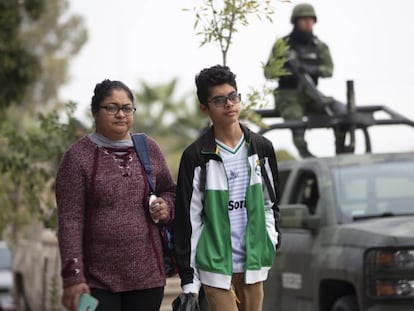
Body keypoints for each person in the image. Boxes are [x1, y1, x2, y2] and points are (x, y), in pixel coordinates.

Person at [55, 79, 176, 311]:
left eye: (127, 108)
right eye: (112, 107)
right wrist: (73, 277)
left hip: (148, 278)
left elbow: (170, 191)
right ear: (94, 112)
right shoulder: (77, 157)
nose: (121, 114)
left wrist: (166, 206)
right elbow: (70, 223)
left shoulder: (149, 148)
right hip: (95, 282)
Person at [173, 65, 281, 311]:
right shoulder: (196, 156)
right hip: (214, 263)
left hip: (254, 261)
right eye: (219, 100)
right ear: (205, 108)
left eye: (233, 96)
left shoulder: (261, 148)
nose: (229, 104)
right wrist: (189, 281)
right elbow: (189, 220)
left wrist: (270, 240)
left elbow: (271, 203)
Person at [264, 3, 345, 157]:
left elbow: (329, 70)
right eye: (304, 19)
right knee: (295, 119)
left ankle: (341, 148)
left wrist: (312, 70)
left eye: (311, 19)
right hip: (288, 94)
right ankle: (304, 152)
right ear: (296, 21)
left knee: (338, 111)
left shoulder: (319, 46)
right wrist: (286, 70)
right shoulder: (282, 45)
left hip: (311, 93)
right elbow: (268, 73)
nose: (308, 23)